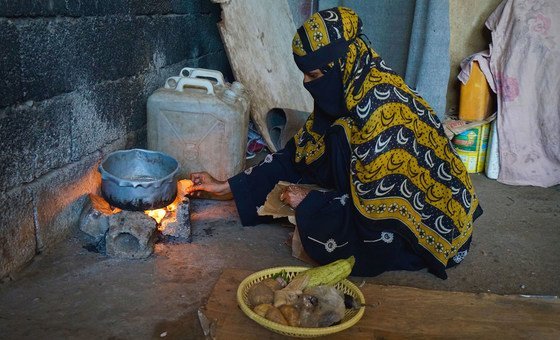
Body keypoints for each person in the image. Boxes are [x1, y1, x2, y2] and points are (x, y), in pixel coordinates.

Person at [187, 7, 482, 279]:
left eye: (312, 74)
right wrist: (229, 186)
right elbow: (299, 156)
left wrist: (311, 202)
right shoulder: (348, 89)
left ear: (340, 64)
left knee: (342, 231)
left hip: (430, 229)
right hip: (378, 197)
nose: (306, 82)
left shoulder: (383, 111)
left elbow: (376, 214)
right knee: (327, 142)